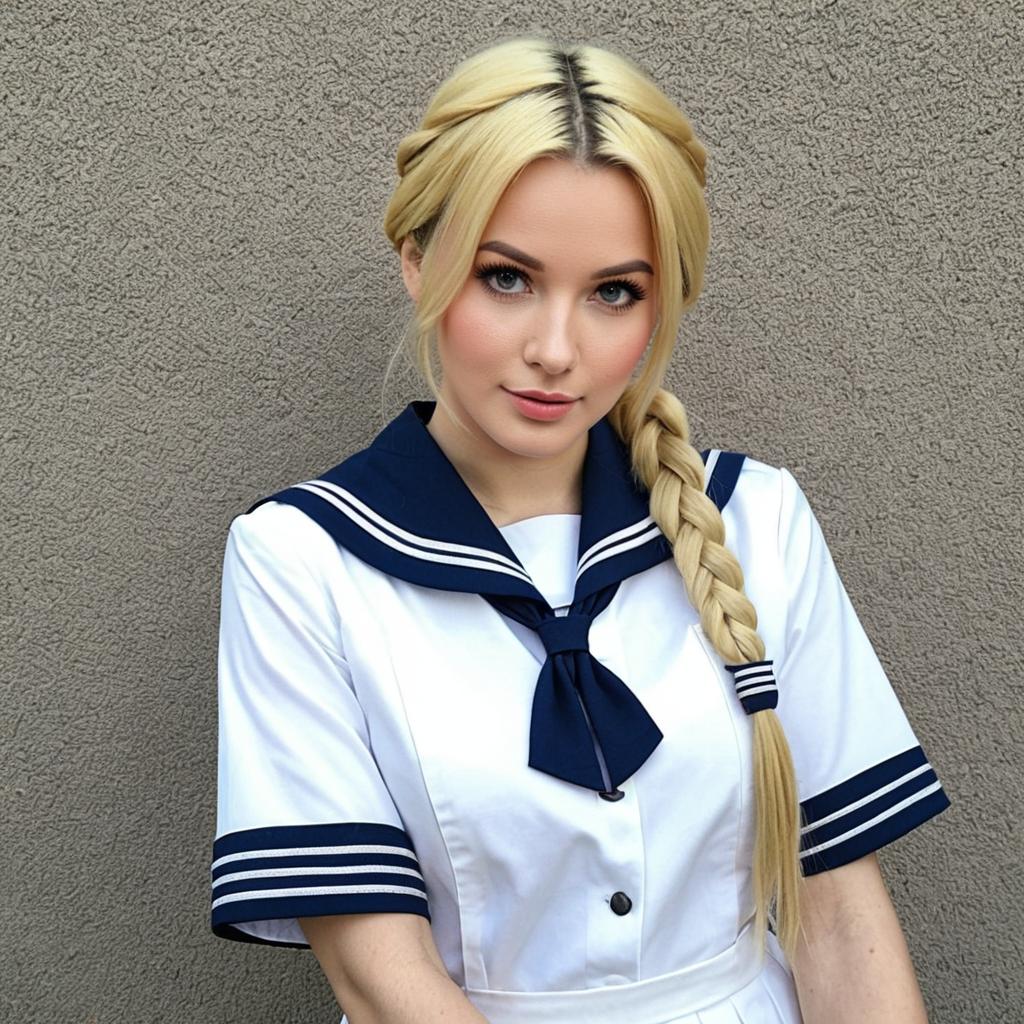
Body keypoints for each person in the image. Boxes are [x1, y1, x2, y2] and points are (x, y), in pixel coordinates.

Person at [209, 36, 950, 1023]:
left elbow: (836, 910)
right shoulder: (301, 562)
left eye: (613, 292)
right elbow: (379, 980)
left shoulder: (756, 520)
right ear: (416, 259)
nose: (555, 350)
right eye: (506, 277)